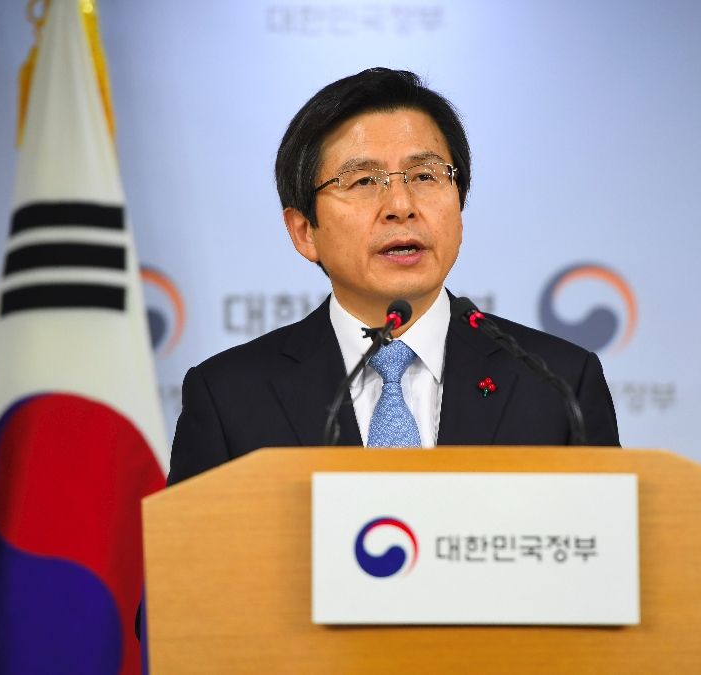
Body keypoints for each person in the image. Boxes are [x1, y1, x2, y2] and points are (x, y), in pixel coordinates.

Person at [167, 67, 618, 486]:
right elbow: (196, 568)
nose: (401, 205)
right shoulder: (229, 396)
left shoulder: (557, 384)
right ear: (304, 231)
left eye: (425, 175)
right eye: (363, 181)